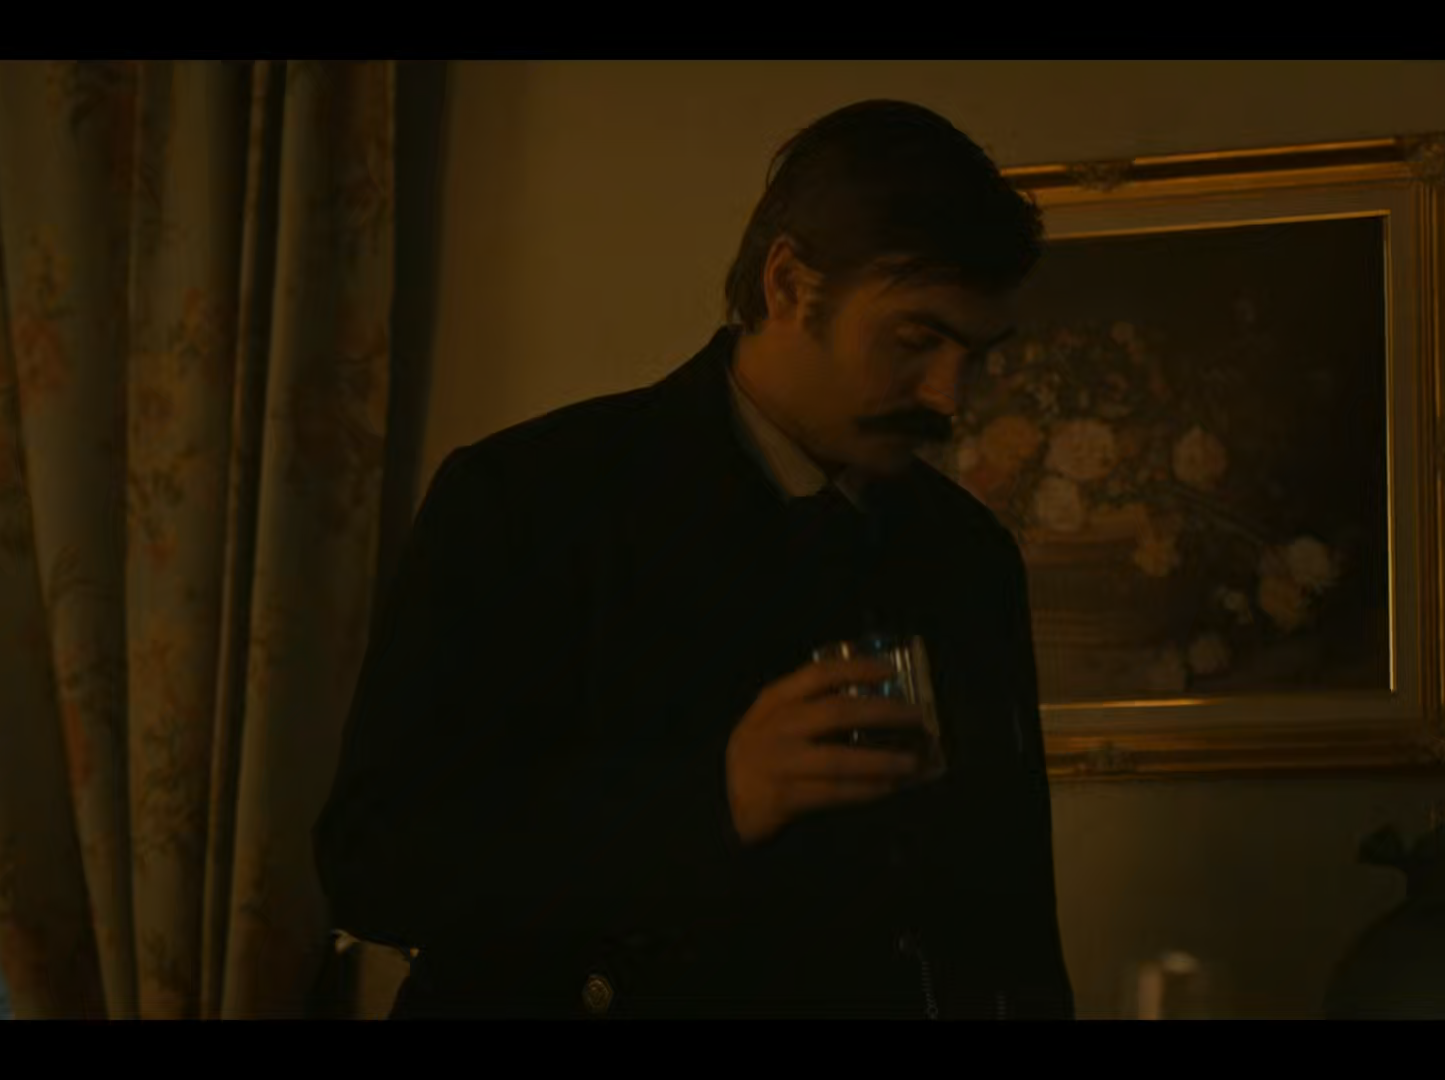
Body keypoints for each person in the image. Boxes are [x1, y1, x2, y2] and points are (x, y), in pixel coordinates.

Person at [313, 99, 1075, 1020]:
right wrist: (715, 799)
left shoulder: (967, 555)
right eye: (916, 339)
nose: (951, 397)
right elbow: (377, 866)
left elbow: (1010, 924)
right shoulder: (530, 499)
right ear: (788, 284)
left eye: (975, 354)